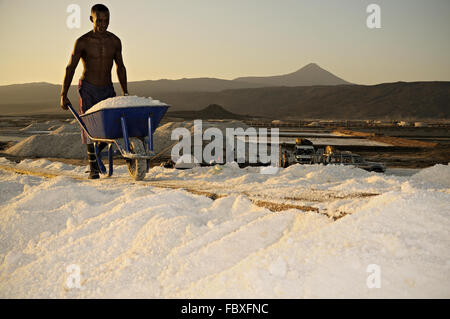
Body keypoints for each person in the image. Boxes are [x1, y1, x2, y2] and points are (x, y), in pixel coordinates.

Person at [60, 4, 128, 179]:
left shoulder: (115, 41)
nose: (103, 24)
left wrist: (125, 93)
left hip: (107, 88)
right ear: (92, 19)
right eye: (99, 21)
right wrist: (63, 94)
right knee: (89, 128)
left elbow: (120, 67)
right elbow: (70, 67)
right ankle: (93, 168)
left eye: (107, 20)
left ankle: (96, 154)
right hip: (88, 87)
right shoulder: (83, 42)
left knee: (112, 128)